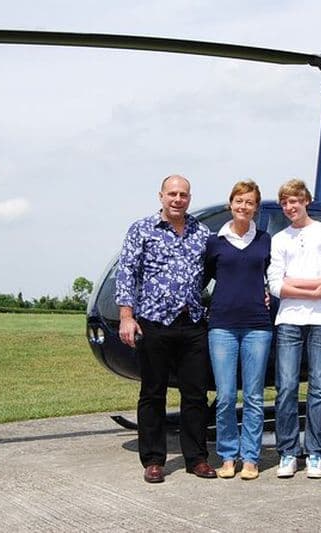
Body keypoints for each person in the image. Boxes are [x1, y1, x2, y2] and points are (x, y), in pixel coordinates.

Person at [114, 174, 217, 484]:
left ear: (189, 198)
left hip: (192, 322)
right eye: (172, 194)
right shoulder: (141, 229)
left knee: (195, 394)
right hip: (153, 322)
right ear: (161, 196)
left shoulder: (202, 233)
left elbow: (220, 268)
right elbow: (127, 273)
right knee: (153, 393)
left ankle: (196, 458)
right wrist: (126, 316)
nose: (177, 199)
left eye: (183, 195)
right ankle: (153, 460)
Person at [266, 178, 321, 479]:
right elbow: (275, 285)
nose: (290, 207)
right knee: (286, 387)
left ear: (306, 201)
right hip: (288, 320)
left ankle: (315, 452)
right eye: (285, 203)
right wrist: (315, 289)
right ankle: (288, 452)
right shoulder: (279, 239)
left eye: (295, 201)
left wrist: (295, 284)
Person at [205, 180, 272, 480]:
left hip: (258, 327)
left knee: (254, 397)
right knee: (226, 396)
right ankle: (228, 456)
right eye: (239, 201)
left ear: (256, 207)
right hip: (222, 327)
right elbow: (203, 279)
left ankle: (251, 458)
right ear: (230, 204)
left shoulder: (266, 241)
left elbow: (276, 275)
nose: (244, 206)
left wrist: (269, 294)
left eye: (250, 202)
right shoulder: (214, 243)